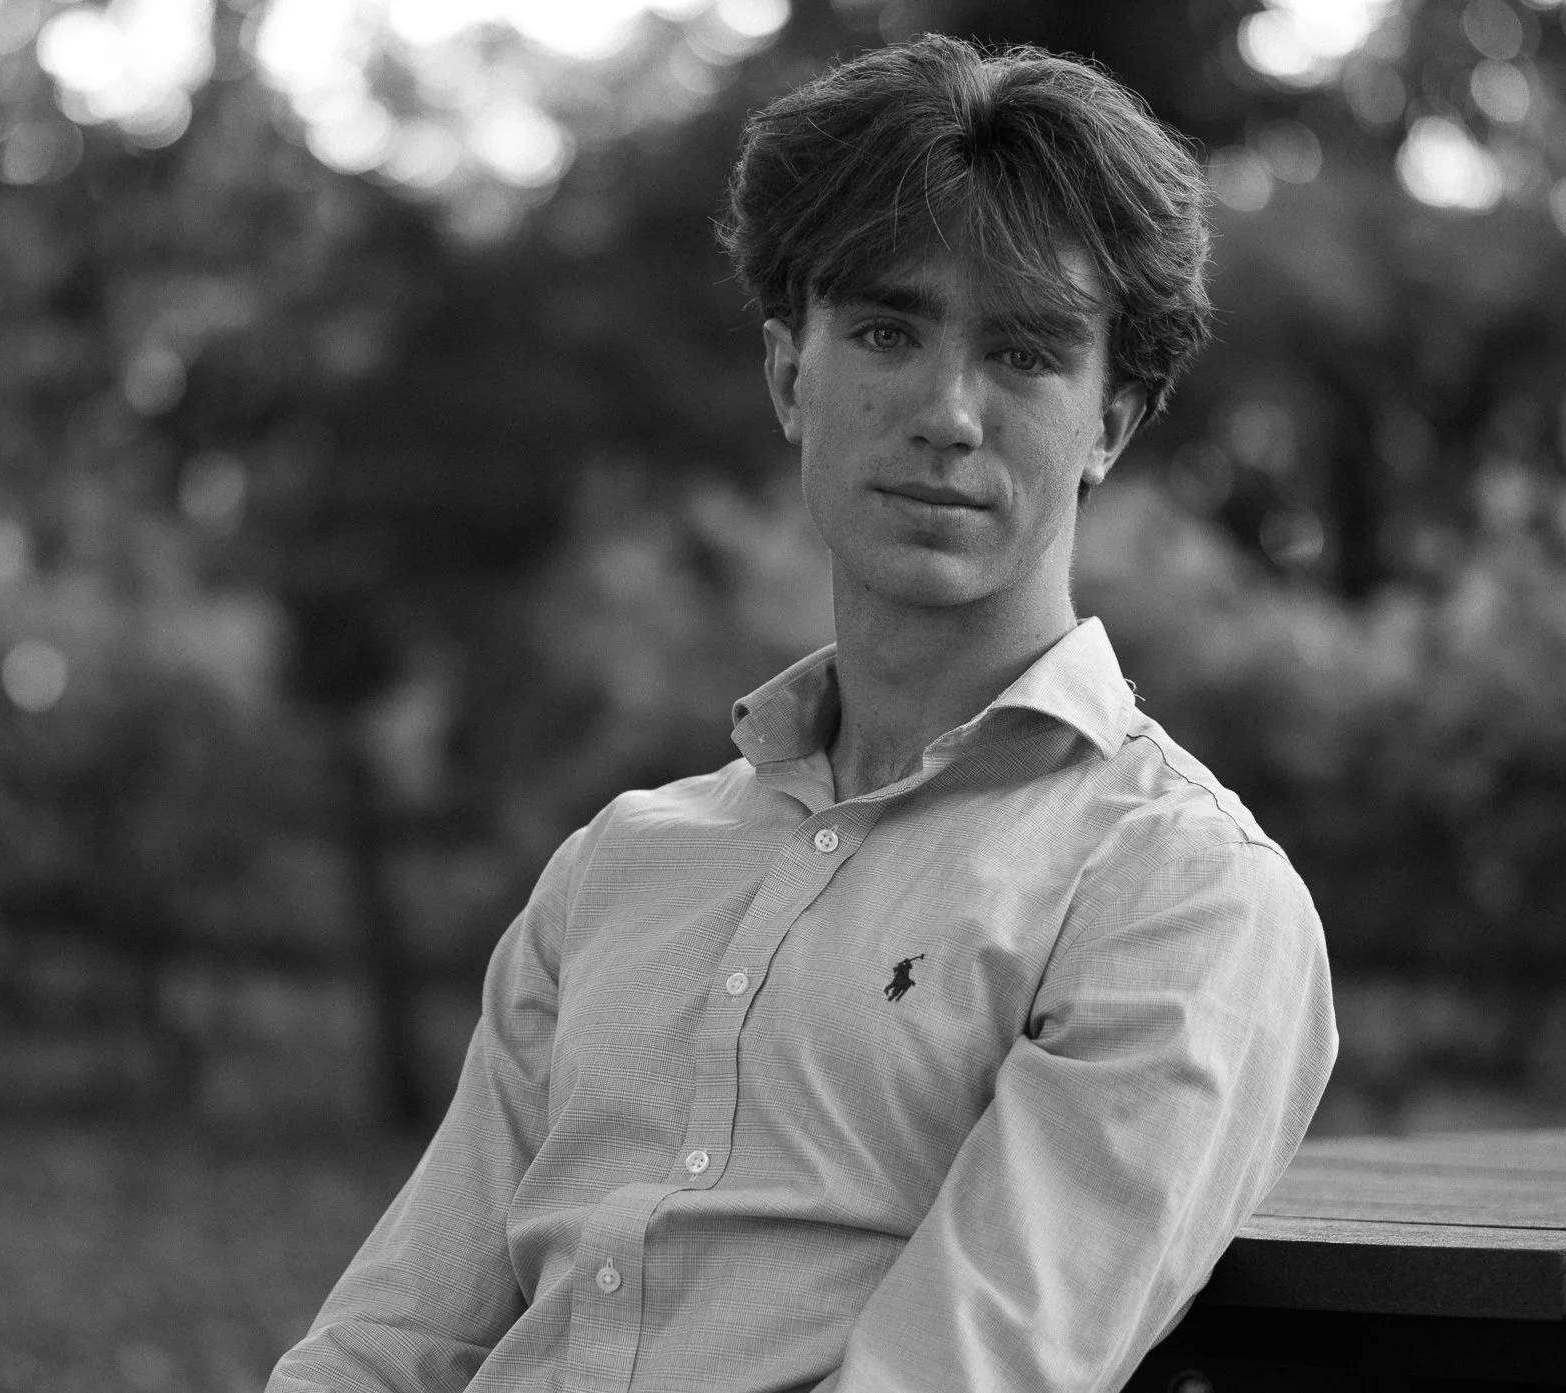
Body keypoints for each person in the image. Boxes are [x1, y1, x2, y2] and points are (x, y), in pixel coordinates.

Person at [268, 33, 1337, 1393]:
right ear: (790, 378)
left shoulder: (1174, 896)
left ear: (1111, 427)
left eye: (1024, 353)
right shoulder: (617, 867)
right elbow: (391, 1340)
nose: (948, 413)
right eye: (888, 333)